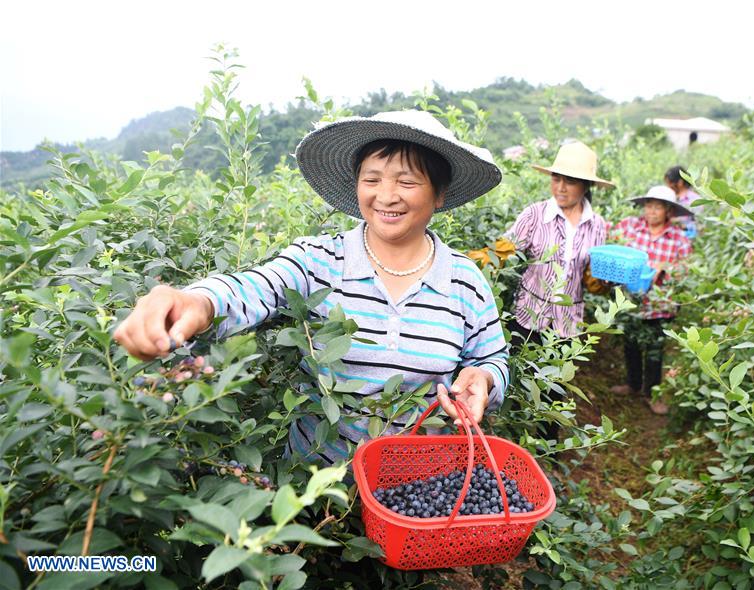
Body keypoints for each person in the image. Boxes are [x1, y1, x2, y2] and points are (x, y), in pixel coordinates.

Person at [113, 110, 509, 465]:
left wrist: (484, 378)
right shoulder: (318, 261)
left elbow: (491, 357)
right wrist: (195, 302)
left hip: (419, 488)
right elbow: (255, 287)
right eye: (371, 179)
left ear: (438, 195)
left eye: (407, 182)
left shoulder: (464, 279)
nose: (386, 196)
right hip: (312, 487)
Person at [504, 141, 614, 346]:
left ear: (585, 185)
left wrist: (605, 281)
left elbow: (592, 277)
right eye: (556, 179)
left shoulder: (597, 224)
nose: (560, 188)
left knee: (556, 376)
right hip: (528, 320)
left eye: (570, 181)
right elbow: (503, 251)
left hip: (567, 325)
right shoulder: (535, 215)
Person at [609, 185, 692, 415]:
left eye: (657, 207)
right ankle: (633, 384)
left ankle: (652, 394)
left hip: (660, 305)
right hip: (631, 300)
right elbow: (611, 239)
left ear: (668, 211)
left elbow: (685, 269)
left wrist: (664, 268)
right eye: (648, 206)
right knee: (631, 344)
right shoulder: (631, 227)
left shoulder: (678, 238)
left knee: (655, 352)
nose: (651, 211)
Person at [664, 165, 701, 237]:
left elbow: (699, 222)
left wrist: (679, 222)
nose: (668, 186)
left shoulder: (695, 199)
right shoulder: (669, 197)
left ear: (680, 183)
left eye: (670, 183)